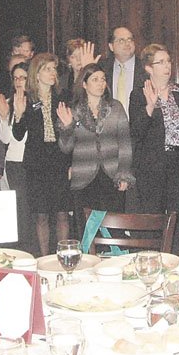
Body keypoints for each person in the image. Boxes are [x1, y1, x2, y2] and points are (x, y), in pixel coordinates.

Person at [129, 44, 179, 256]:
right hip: (151, 166)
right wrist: (150, 106)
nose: (167, 66)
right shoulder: (139, 94)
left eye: (169, 61)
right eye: (161, 62)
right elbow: (136, 132)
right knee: (153, 218)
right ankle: (152, 264)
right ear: (149, 68)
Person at [56, 63, 134, 236]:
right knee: (87, 232)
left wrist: (124, 174)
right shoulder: (74, 110)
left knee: (114, 231)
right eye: (95, 79)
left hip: (111, 175)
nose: (100, 83)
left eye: (103, 79)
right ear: (84, 84)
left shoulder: (116, 107)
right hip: (84, 178)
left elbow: (125, 143)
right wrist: (67, 128)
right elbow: (65, 148)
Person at [13, 53, 71, 256]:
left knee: (62, 213)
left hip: (58, 160)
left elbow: (70, 133)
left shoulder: (63, 97)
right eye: (47, 69)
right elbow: (18, 135)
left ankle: (64, 256)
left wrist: (68, 125)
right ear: (36, 74)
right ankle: (45, 258)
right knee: (41, 215)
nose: (53, 73)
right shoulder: (27, 99)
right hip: (36, 163)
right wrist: (18, 114)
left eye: (54, 69)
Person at [0, 61, 35, 255]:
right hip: (14, 162)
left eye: (23, 77)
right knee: (19, 211)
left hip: (34, 161)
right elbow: (5, 138)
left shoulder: (36, 101)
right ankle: (21, 251)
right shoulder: (9, 103)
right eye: (16, 78)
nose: (19, 82)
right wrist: (4, 117)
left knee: (33, 210)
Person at [101, 26, 143, 116]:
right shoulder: (102, 69)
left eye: (130, 39)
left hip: (139, 127)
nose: (127, 44)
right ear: (111, 46)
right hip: (110, 127)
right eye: (121, 40)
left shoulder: (146, 68)